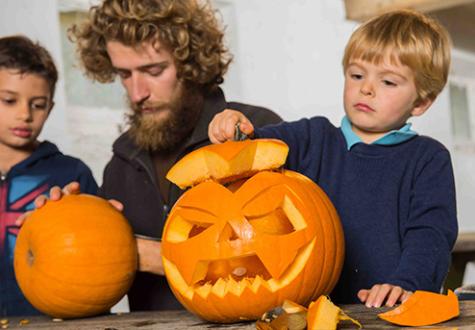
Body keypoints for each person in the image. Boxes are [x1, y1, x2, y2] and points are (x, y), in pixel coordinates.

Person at [29, 0, 282, 311]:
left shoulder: (256, 131)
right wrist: (65, 229)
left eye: (153, 70)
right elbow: (93, 287)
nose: (137, 93)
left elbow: (278, 259)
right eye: (124, 74)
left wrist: (142, 255)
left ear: (191, 64)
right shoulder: (120, 165)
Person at [208, 9, 458, 308]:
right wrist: (234, 127)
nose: (366, 88)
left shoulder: (428, 159)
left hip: (391, 312)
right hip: (316, 315)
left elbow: (430, 235)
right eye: (357, 75)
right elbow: (251, 146)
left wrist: (408, 284)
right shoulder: (311, 138)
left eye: (388, 82)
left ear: (420, 102)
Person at [0, 35, 98, 316]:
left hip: (54, 318)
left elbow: (99, 254)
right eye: (9, 100)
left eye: (38, 104)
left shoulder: (71, 174)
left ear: (50, 108)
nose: (24, 115)